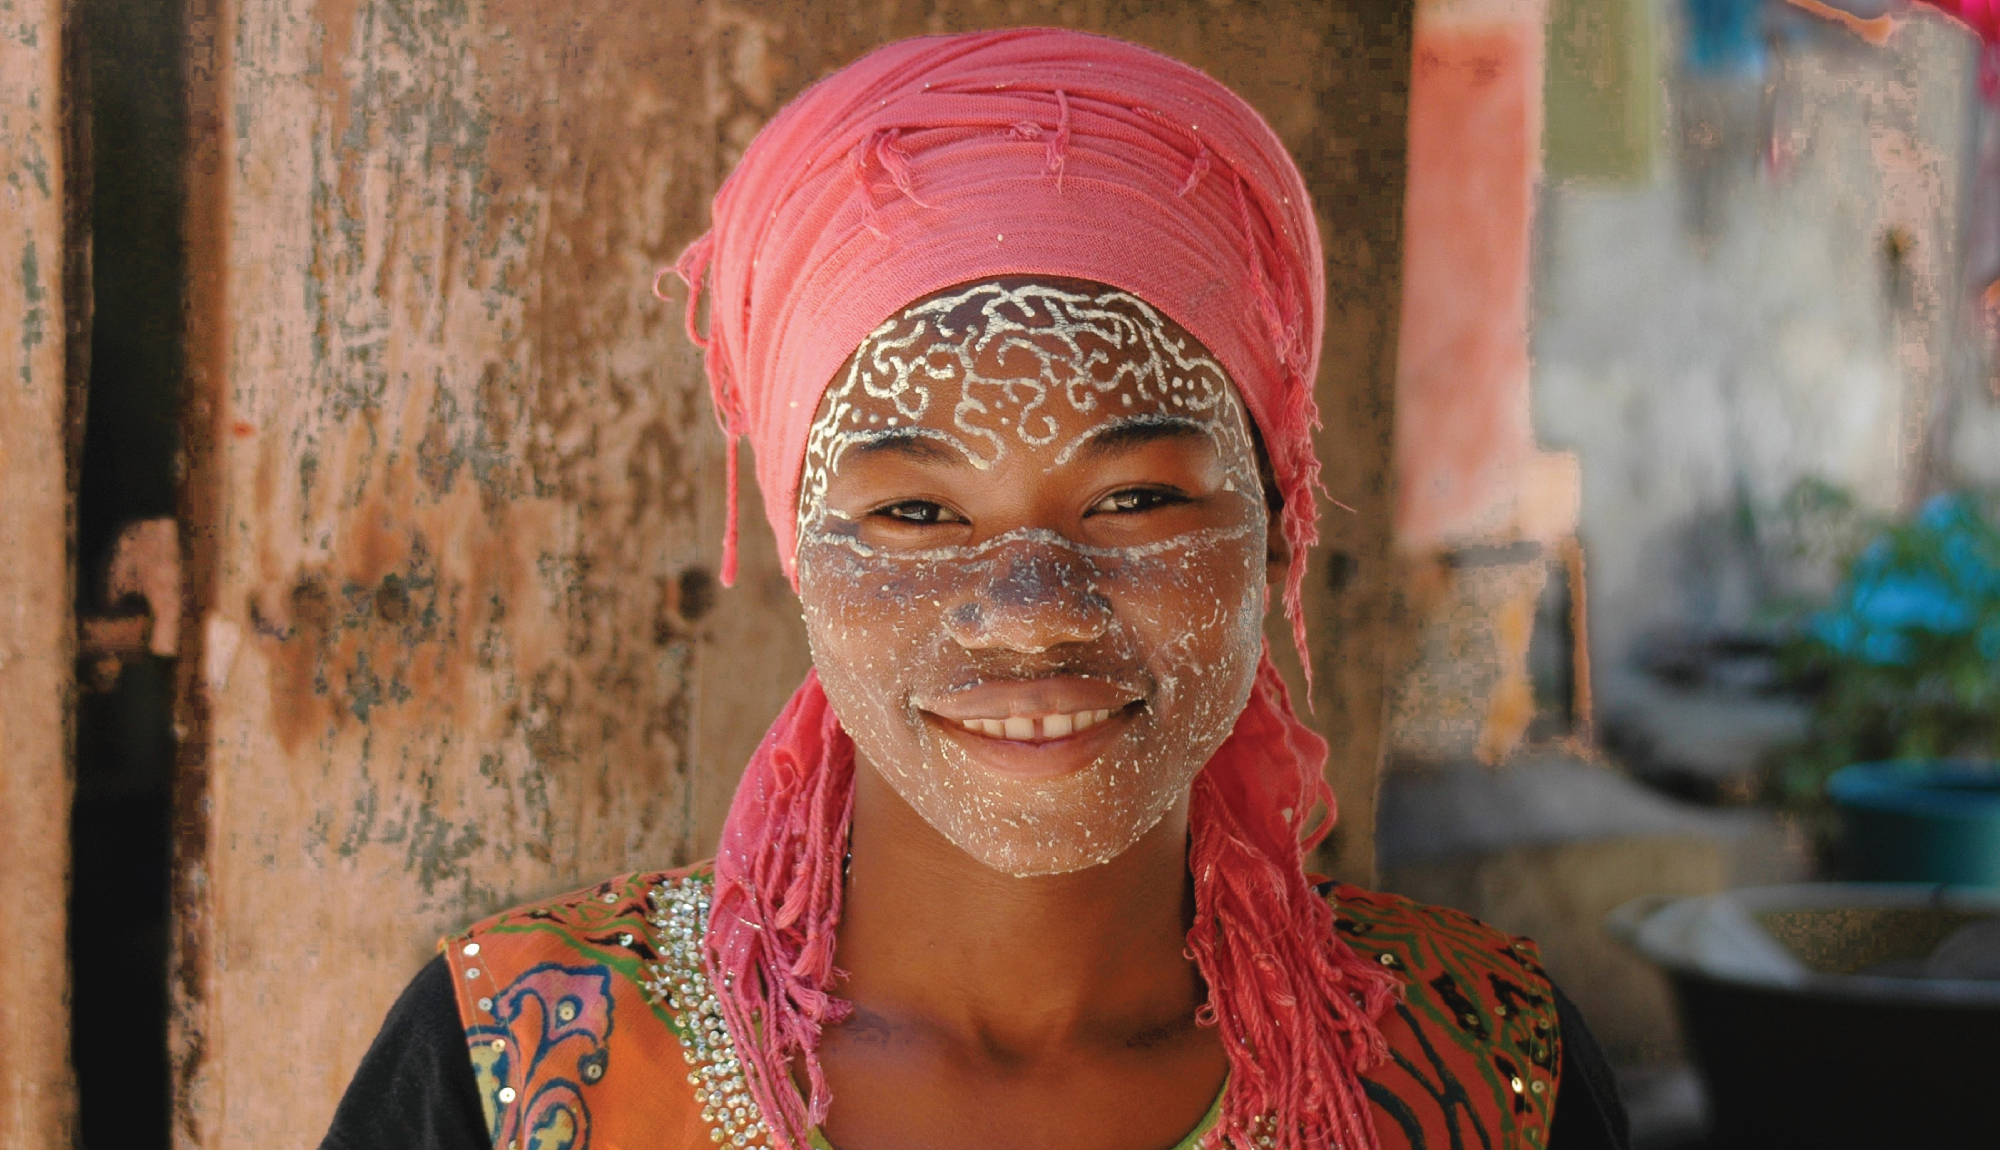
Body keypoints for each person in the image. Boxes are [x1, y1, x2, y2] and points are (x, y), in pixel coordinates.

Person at [321, 27, 1630, 1150]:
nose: (1033, 604)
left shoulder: (1487, 1073)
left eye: (1138, 498)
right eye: (914, 512)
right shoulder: (520, 1071)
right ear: (800, 552)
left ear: (1278, 532)